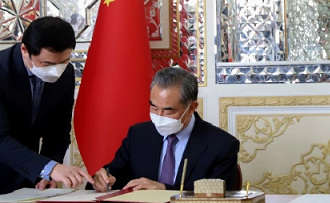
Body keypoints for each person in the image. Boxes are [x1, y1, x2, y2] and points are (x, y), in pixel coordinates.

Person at [0, 17, 94, 197]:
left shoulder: (65, 73)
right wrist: (49, 168)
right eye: (48, 64)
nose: (56, 70)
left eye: (64, 61)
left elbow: (59, 132)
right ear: (25, 50)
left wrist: (47, 173)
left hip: (29, 182)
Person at [91, 67, 240, 192]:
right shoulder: (138, 135)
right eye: (154, 108)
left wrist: (164, 189)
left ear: (191, 108)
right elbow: (116, 175)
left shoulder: (222, 145)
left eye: (168, 112)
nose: (160, 117)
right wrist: (105, 179)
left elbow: (218, 196)